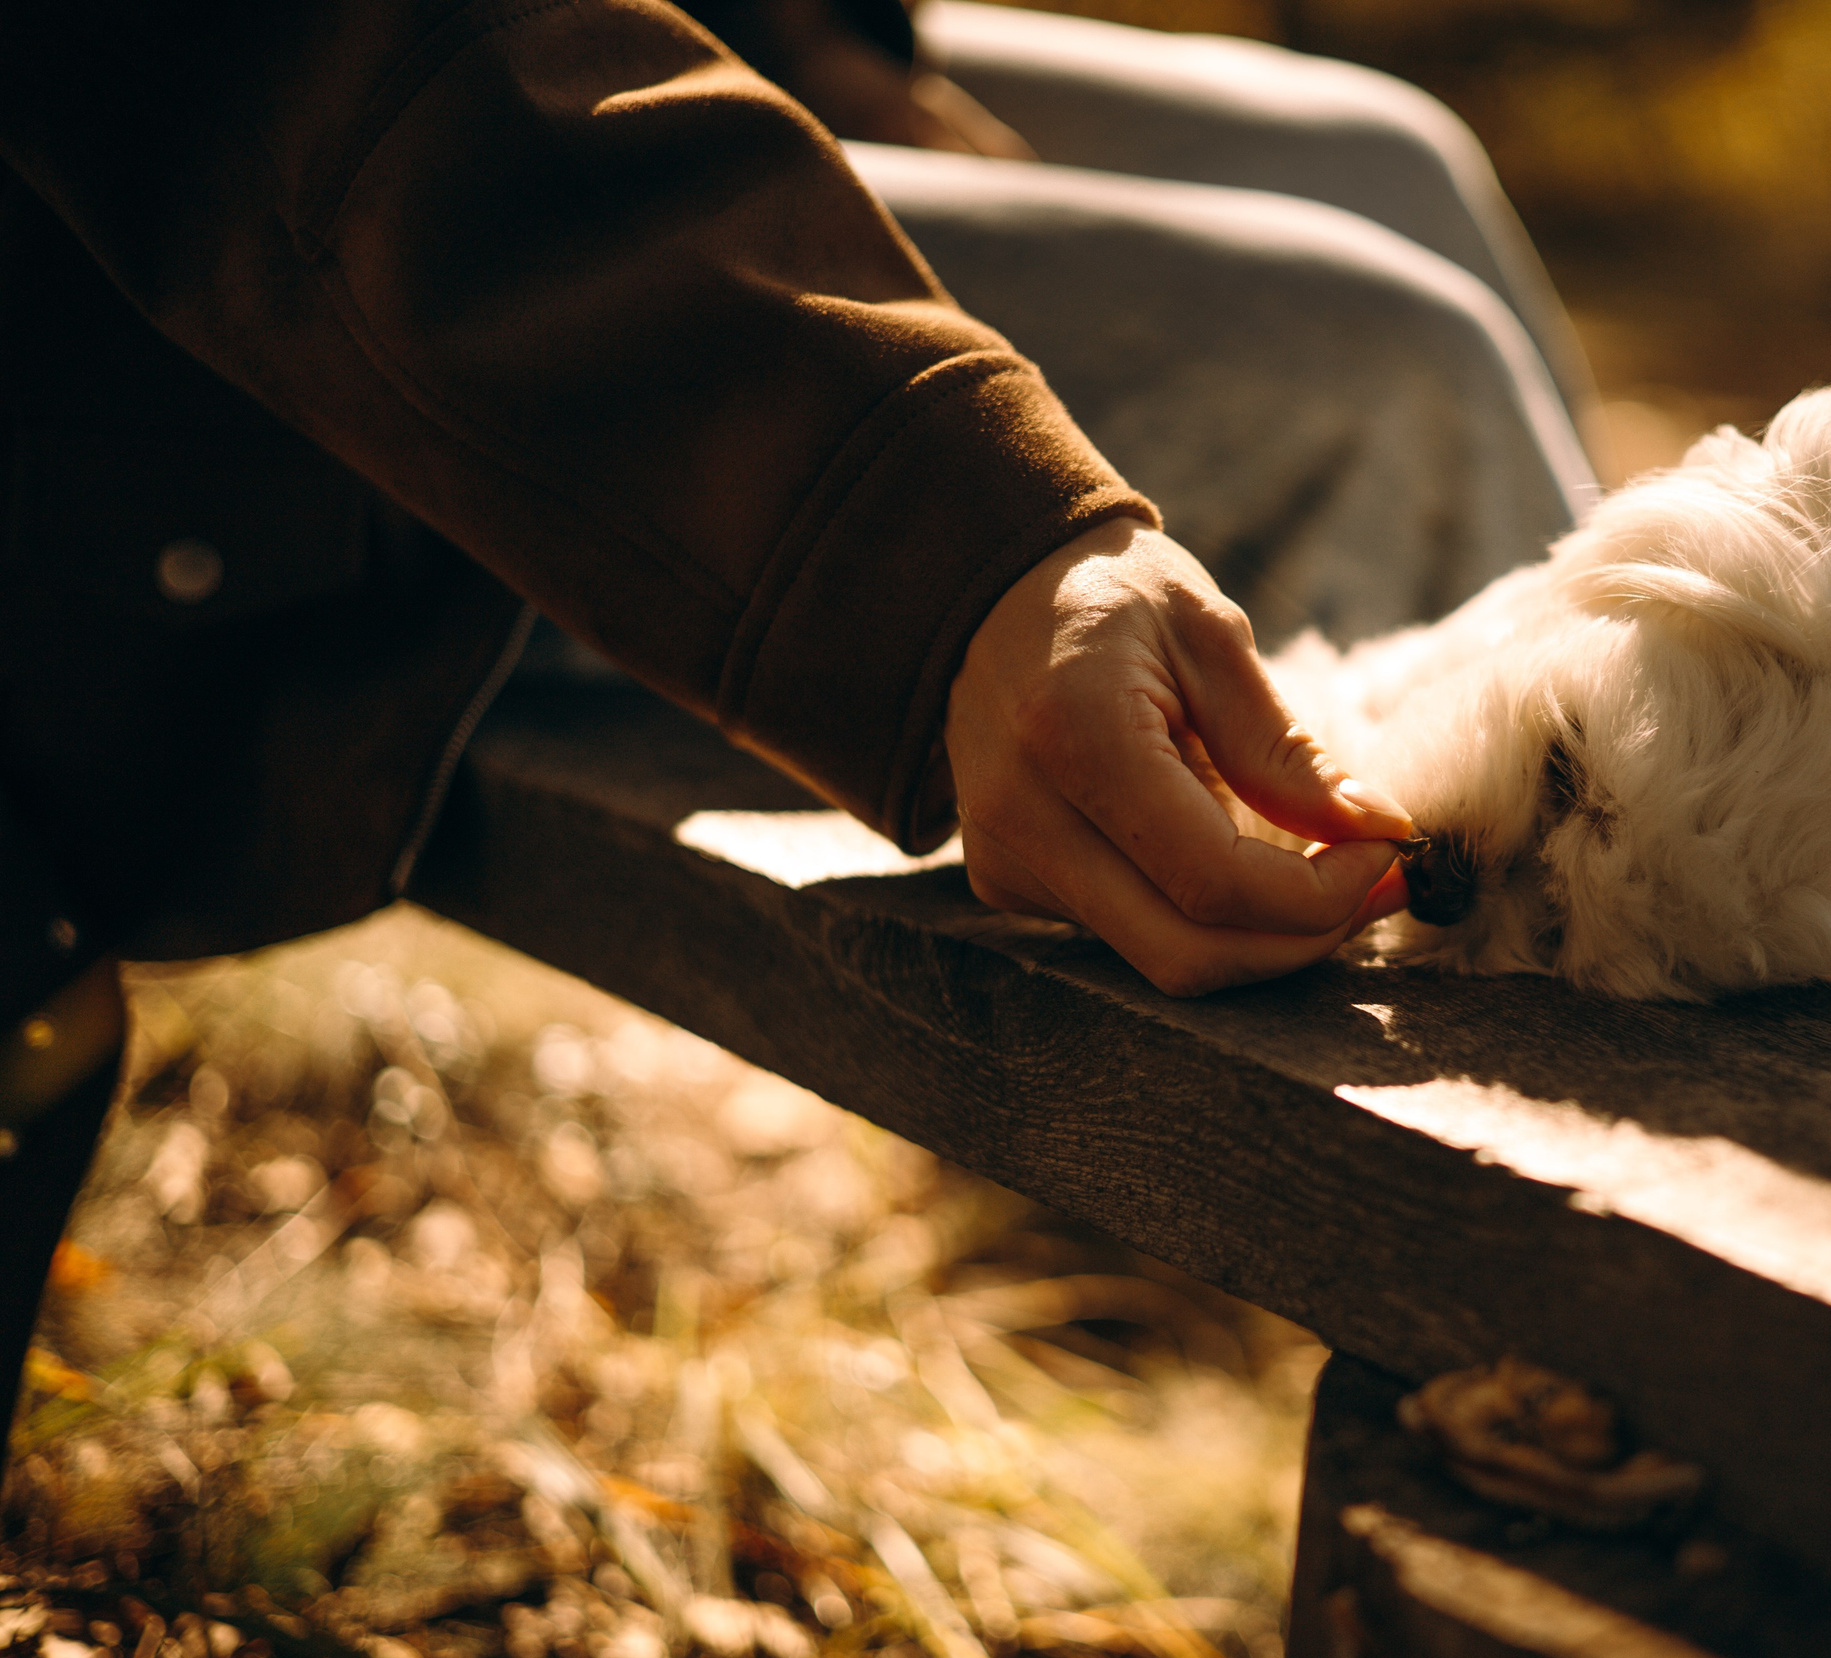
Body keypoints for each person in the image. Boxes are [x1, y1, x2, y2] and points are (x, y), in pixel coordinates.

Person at [0, 0, 1590, 1412]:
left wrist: (818, 44)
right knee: (1397, 375)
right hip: (201, 299)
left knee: (1393, 158)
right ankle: (1524, 1345)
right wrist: (959, 540)